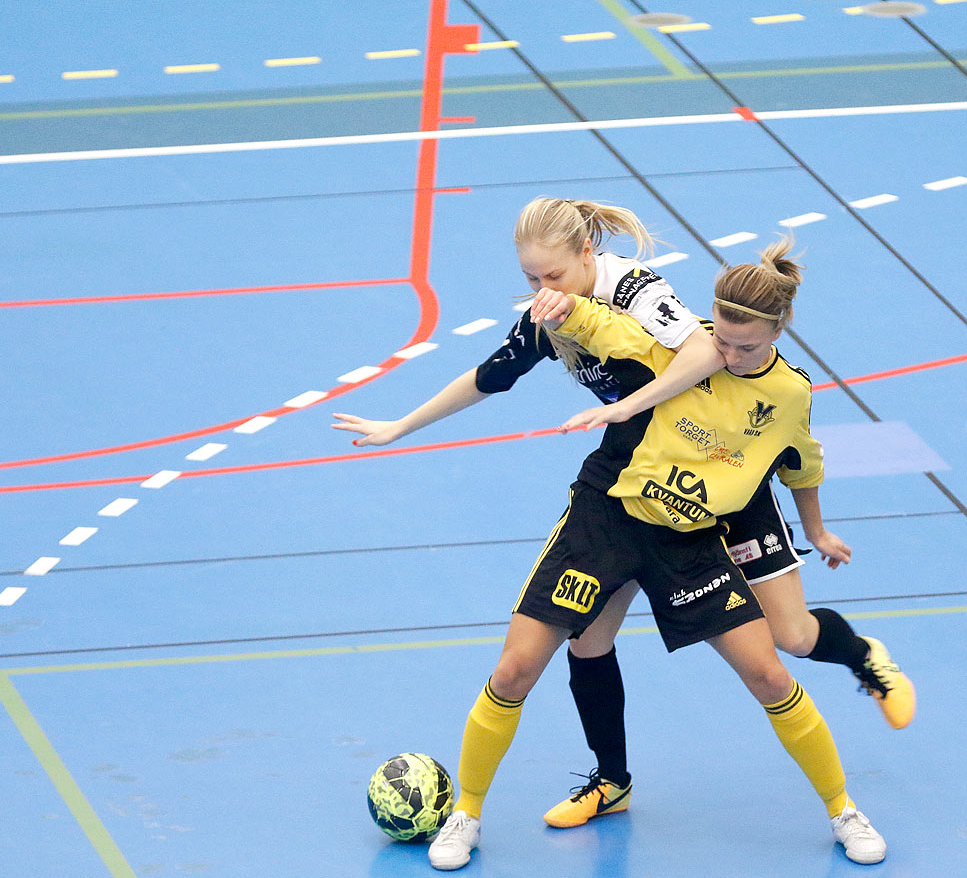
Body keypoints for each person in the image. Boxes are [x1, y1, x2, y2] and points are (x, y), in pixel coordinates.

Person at [333, 197, 913, 829]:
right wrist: (402, 425)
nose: (540, 290)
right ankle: (611, 781)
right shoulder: (553, 313)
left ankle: (862, 657)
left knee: (793, 640)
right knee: (588, 641)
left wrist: (623, 404)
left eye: (552, 277)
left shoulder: (638, 293)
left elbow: (704, 355)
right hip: (641, 477)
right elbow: (492, 376)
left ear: (588, 256)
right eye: (530, 279)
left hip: (725, 474)